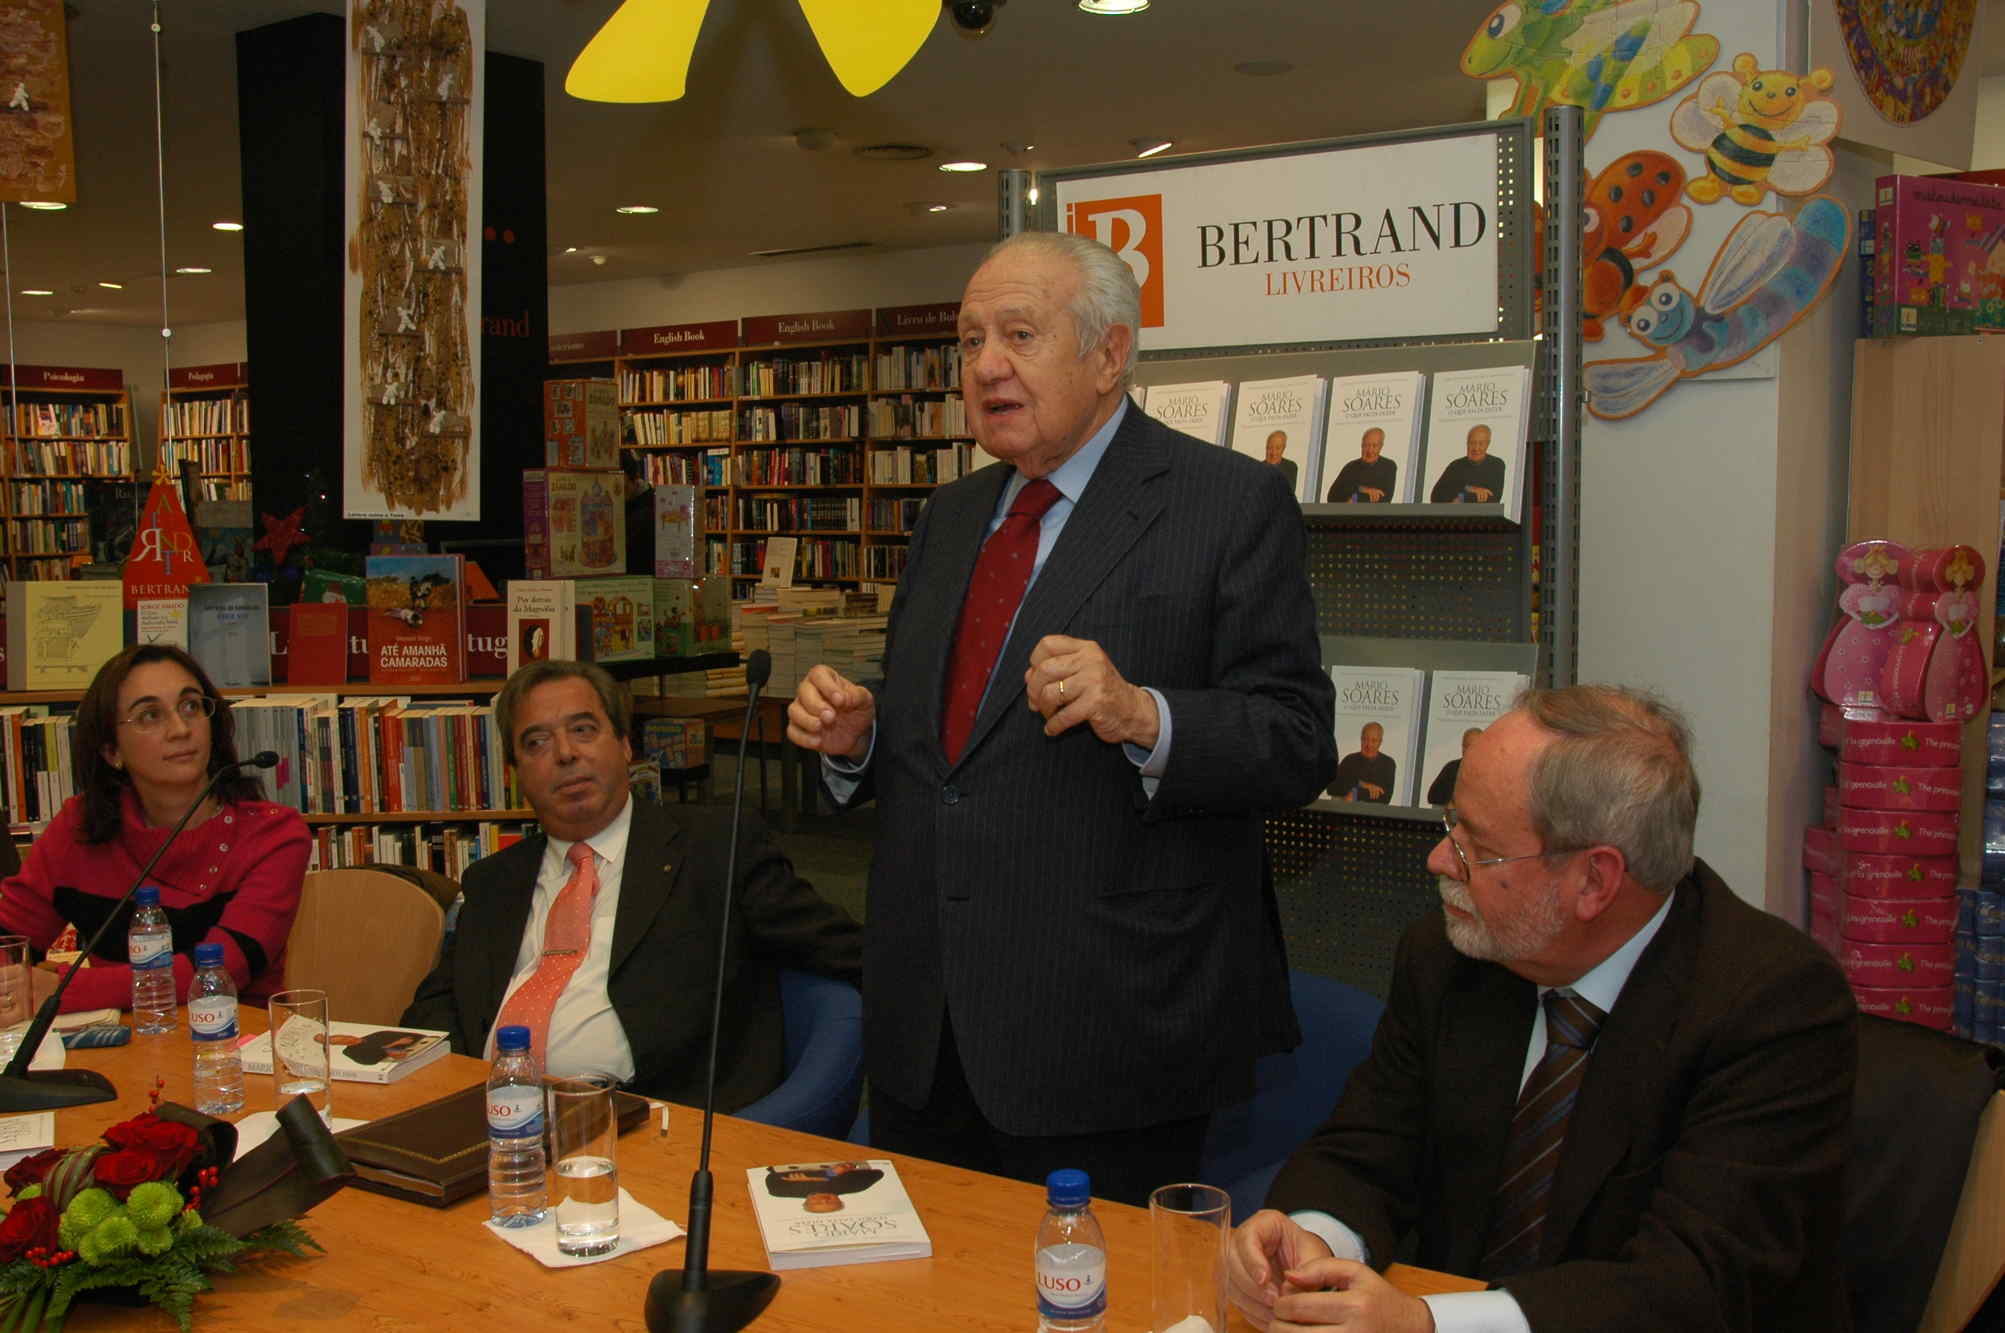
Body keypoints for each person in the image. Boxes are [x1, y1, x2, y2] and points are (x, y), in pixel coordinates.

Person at [788, 231, 1334, 1206]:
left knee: (1092, 1283)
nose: (985, 365)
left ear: (1108, 353)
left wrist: (1143, 713)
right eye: (969, 340)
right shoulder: (949, 517)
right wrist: (863, 738)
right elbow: (953, 749)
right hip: (926, 1020)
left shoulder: (1225, 502)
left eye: (1018, 334)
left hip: (1108, 1024)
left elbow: (1295, 740)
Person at [1227, 685, 1855, 1333]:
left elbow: (1694, 1282)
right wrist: (1314, 1242)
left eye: (1476, 845)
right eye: (1450, 825)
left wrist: (1424, 1324)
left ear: (1594, 880)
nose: (1439, 859)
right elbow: (1367, 1149)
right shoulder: (1451, 954)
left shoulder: (1774, 1005)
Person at [403, 659, 860, 1107]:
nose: (565, 753)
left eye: (583, 729)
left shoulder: (715, 847)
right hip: (493, 1120)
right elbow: (435, 1012)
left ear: (624, 744)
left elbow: (837, 946)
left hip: (655, 1123)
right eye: (537, 742)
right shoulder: (493, 881)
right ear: (516, 771)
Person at [0, 644, 308, 1012]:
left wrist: (61, 991)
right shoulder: (78, 828)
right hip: (119, 1038)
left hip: (239, 1037)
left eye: (190, 706)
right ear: (111, 750)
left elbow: (223, 970)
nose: (180, 729)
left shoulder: (275, 835)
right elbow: (9, 941)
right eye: (150, 715)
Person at [1428, 423, 1506, 504]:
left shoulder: (1496, 465)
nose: (1476, 448)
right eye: (1472, 443)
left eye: (1481, 443)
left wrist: (1461, 498)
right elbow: (1435, 497)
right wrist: (1468, 488)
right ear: (1467, 443)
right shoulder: (1455, 465)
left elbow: (1493, 499)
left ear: (1488, 444)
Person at [1325, 427, 1396, 503]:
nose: (1370, 450)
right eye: (1366, 445)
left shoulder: (1389, 466)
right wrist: (1362, 489)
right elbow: (1332, 497)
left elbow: (1385, 499)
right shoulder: (1350, 467)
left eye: (1374, 446)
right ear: (1361, 445)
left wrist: (1355, 498)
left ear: (1381, 447)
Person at [1329, 722, 1395, 803]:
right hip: (1344, 807)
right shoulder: (1349, 760)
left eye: (1374, 741)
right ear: (1361, 739)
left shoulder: (1388, 763)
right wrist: (1362, 784)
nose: (1369, 745)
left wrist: (1356, 794)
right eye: (1365, 739)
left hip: (1370, 810)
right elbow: (1332, 788)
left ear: (1380, 742)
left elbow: (1385, 798)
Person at [1425, 727, 1485, 806]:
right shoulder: (1452, 768)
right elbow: (1432, 797)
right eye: (1466, 746)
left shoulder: (1491, 770)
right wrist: (1450, 801)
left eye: (1474, 746)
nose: (1469, 750)